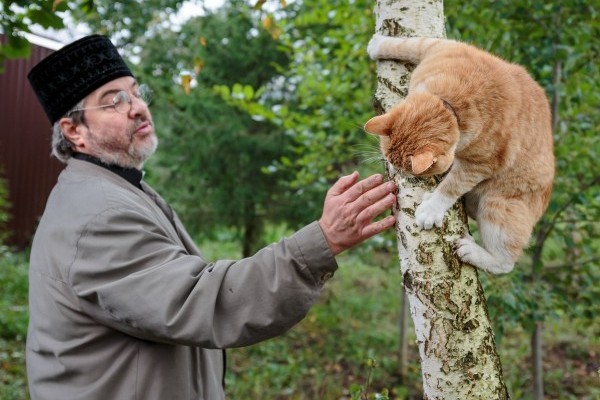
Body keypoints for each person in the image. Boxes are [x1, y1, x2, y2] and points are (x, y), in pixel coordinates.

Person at [26, 34, 397, 400]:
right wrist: (323, 240)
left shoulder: (116, 189)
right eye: (114, 102)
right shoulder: (98, 216)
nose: (137, 107)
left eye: (136, 93)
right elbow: (201, 301)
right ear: (74, 131)